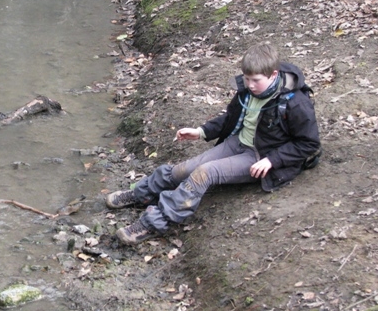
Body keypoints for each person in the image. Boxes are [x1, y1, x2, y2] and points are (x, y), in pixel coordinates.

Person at [106, 43, 321, 245]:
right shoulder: (248, 90)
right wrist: (201, 132)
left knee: (204, 174)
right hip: (238, 143)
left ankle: (151, 224)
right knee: (184, 169)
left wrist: (272, 160)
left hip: (260, 156)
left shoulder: (296, 103)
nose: (250, 85)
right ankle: (141, 194)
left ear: (273, 75)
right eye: (247, 79)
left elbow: (309, 144)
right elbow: (231, 118)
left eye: (256, 80)